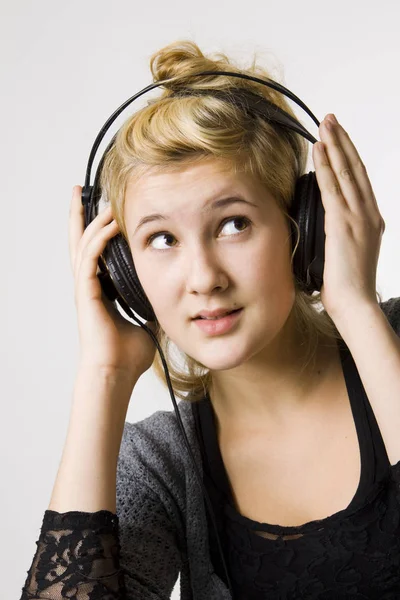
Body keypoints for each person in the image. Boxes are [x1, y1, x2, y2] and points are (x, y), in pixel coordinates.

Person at [20, 40, 400, 600]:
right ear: (123, 271)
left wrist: (358, 310)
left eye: (232, 225)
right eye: (161, 239)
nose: (203, 278)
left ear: (303, 229)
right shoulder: (160, 464)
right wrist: (101, 374)